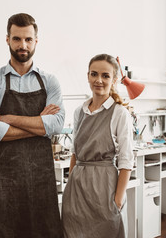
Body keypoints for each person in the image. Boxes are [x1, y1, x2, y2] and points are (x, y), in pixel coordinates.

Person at [0, 13, 65, 238]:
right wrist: (39, 125)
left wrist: (9, 118)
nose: (22, 45)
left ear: (36, 41)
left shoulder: (50, 81)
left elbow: (55, 125)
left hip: (40, 178)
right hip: (1, 181)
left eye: (28, 39)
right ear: (7, 39)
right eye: (17, 39)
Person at [61, 54, 134, 238]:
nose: (99, 80)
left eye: (105, 76)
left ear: (114, 80)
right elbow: (75, 154)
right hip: (76, 192)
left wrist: (117, 201)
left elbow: (126, 162)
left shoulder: (119, 113)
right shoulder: (79, 111)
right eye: (94, 74)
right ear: (88, 76)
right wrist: (70, 185)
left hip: (104, 189)